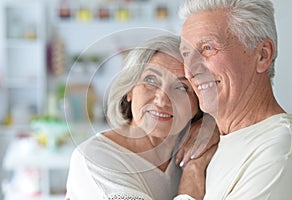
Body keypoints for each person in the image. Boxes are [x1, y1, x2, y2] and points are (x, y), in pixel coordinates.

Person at [174, 0, 292, 199]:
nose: (190, 70)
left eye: (208, 48)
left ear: (263, 55)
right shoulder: (219, 139)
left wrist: (192, 168)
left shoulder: (279, 152)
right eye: (186, 53)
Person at [65, 34, 205, 200]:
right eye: (151, 80)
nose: (162, 99)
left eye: (181, 87)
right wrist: (194, 169)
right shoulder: (94, 157)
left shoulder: (190, 147)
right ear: (130, 90)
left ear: (197, 105)